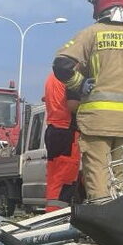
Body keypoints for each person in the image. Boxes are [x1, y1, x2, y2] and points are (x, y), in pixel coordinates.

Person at [53, 0, 123, 201]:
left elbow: (61, 65)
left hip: (96, 123)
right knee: (121, 185)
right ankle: (119, 227)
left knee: (99, 183)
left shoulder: (91, 34)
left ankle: (101, 227)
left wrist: (79, 84)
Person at [43, 73, 81, 212]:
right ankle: (57, 215)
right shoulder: (71, 77)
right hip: (67, 132)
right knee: (65, 179)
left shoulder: (52, 77)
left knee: (55, 178)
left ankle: (51, 212)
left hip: (53, 129)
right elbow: (72, 105)